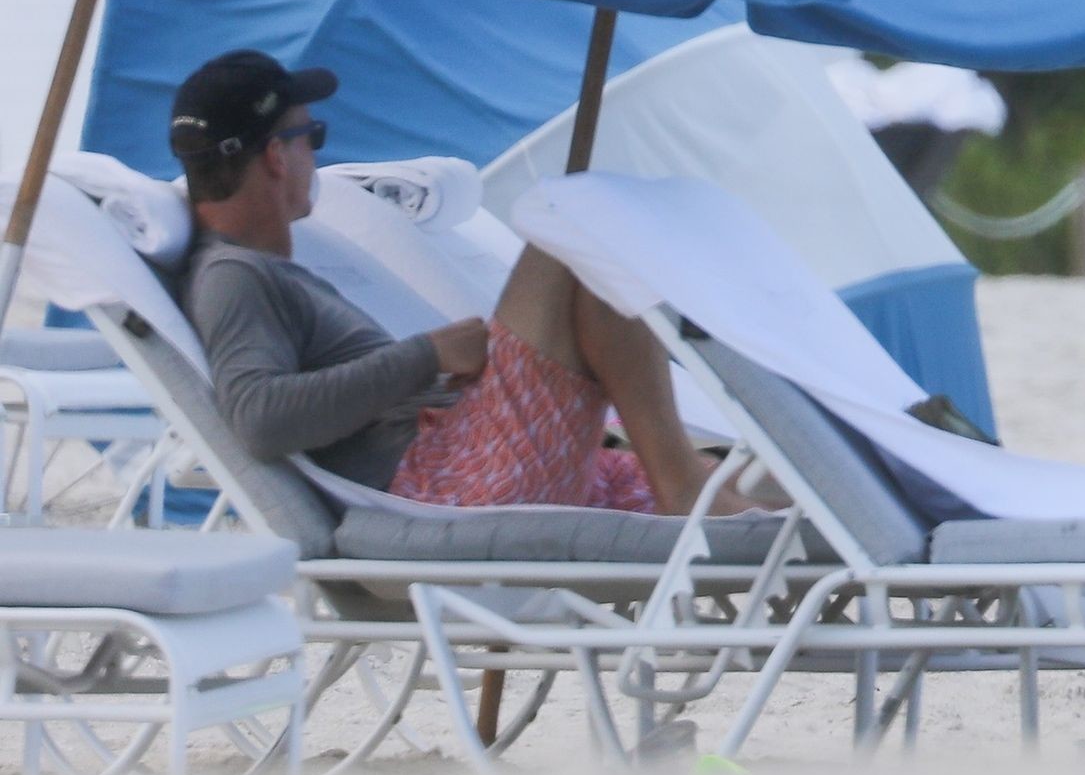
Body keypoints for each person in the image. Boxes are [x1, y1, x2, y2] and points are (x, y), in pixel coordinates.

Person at [170, 49, 752, 517]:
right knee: (573, 227)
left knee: (752, 496)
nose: (315, 157)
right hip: (447, 482)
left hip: (460, 458)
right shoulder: (233, 276)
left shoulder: (256, 270)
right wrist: (428, 354)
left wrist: (440, 369)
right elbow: (260, 418)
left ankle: (693, 484)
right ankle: (678, 484)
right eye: (312, 135)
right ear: (275, 156)